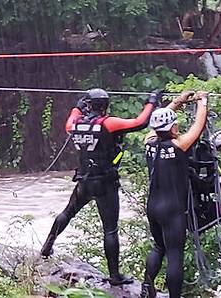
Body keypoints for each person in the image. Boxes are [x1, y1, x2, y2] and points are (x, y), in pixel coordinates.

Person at [40, 88, 158, 285]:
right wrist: (152, 101)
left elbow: (72, 116)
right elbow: (141, 122)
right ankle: (114, 275)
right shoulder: (108, 123)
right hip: (105, 183)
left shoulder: (74, 124)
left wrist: (78, 107)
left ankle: (47, 246)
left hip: (84, 181)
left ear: (89, 105)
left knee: (68, 212)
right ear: (105, 105)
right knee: (110, 229)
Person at [141, 91, 208, 298]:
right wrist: (202, 102)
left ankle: (146, 289)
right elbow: (197, 127)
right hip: (173, 209)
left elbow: (157, 124)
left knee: (158, 247)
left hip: (153, 207)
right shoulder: (179, 145)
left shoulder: (149, 142)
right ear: (173, 128)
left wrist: (177, 101)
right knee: (175, 254)